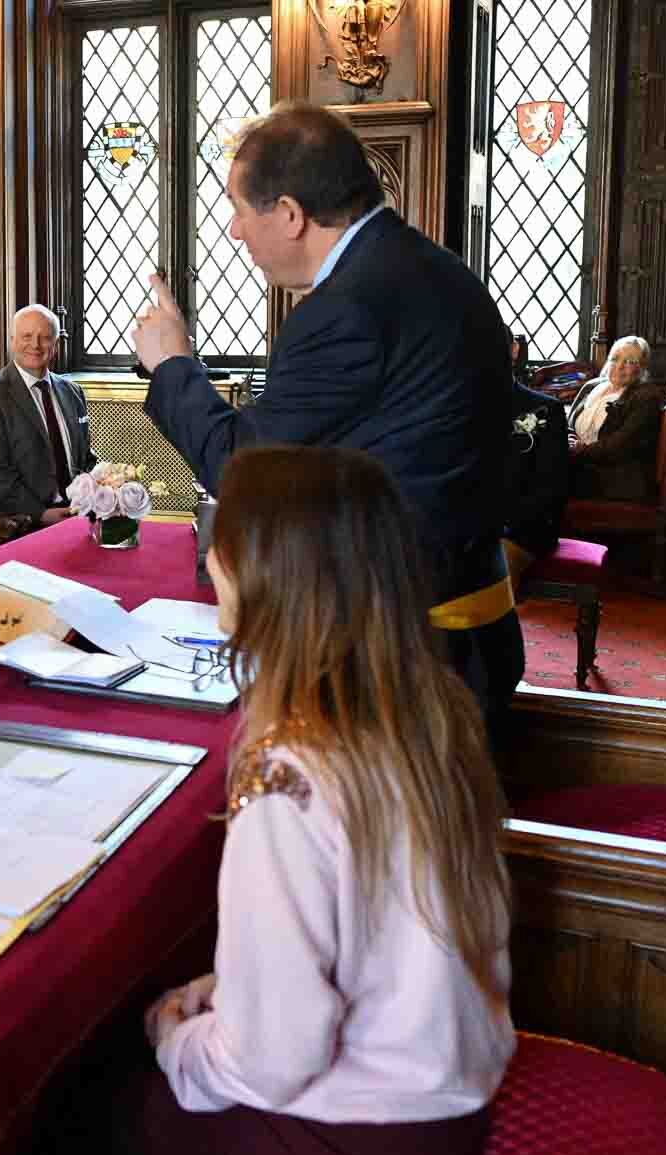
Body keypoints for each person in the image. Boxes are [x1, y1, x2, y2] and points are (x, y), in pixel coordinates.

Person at [131, 445, 513, 1155]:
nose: (211, 568)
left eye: (221, 551)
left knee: (82, 1120)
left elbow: (273, 1060)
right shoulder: (430, 713)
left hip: (356, 1147)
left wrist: (176, 1040)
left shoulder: (287, 777)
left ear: (263, 579)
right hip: (445, 1086)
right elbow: (386, 932)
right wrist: (233, 986)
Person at [131, 100, 522, 724]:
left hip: (406, 654)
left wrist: (173, 364)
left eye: (238, 210)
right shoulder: (433, 268)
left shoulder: (346, 306)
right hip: (466, 621)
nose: (233, 231)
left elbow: (247, 477)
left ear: (289, 214)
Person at [0, 304, 95, 523]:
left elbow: (85, 460)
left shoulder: (73, 392)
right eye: (27, 336)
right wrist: (40, 514)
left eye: (45, 337)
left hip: (74, 514)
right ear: (12, 340)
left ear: (55, 345)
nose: (35, 345)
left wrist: (106, 492)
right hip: (14, 522)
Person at [566, 336, 664, 503]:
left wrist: (580, 450)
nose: (619, 367)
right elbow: (569, 424)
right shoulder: (592, 386)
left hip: (615, 477)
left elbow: (619, 445)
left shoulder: (647, 396)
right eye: (614, 359)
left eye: (629, 362)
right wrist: (569, 440)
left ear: (642, 368)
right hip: (582, 465)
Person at [502, 371, 570, 579]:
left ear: (511, 351)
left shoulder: (546, 409)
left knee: (488, 569)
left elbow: (551, 487)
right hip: (465, 526)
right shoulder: (455, 405)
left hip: (521, 528)